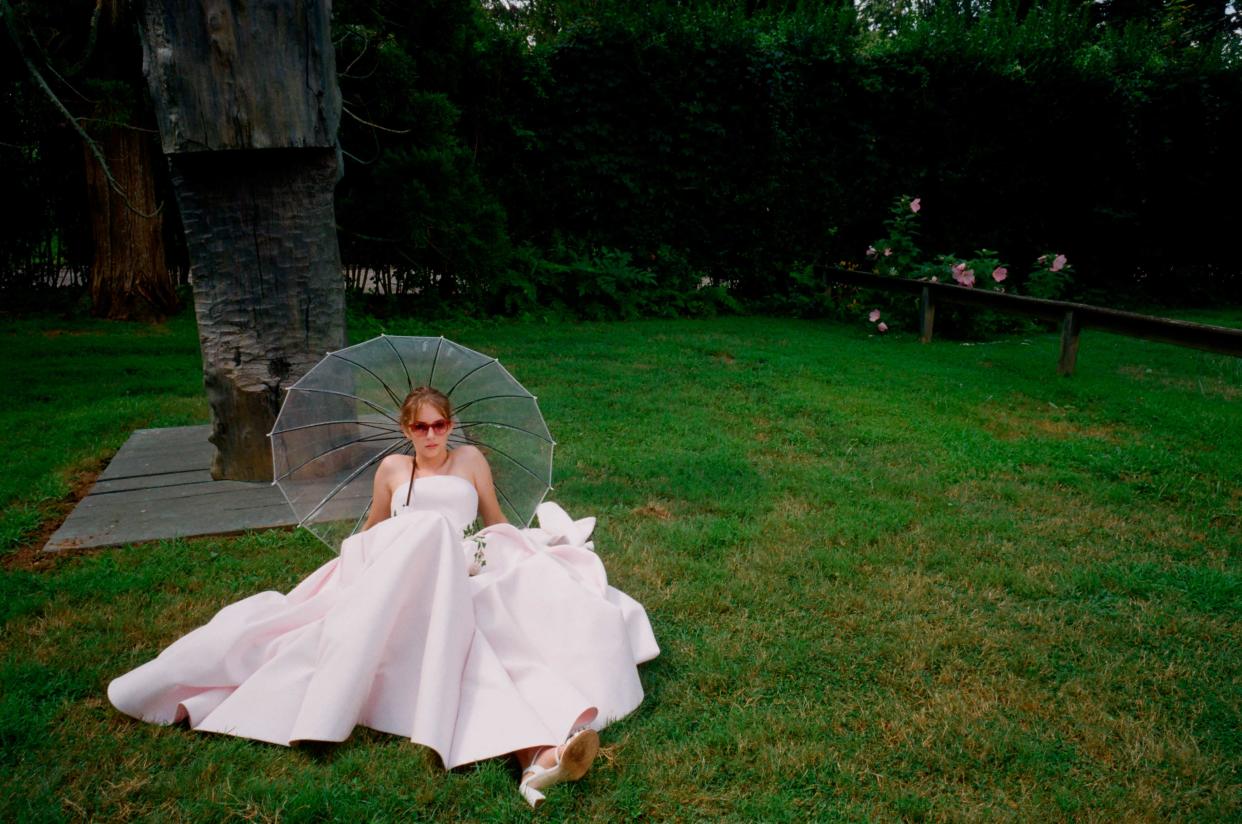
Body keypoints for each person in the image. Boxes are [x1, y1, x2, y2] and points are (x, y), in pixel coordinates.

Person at [108, 386, 659, 808]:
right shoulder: (394, 470)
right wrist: (356, 562)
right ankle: (534, 753)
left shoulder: (471, 461)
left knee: (491, 631)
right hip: (398, 562)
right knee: (414, 558)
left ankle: (537, 754)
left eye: (440, 424)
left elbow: (494, 522)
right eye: (420, 427)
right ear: (406, 429)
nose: (431, 435)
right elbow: (372, 528)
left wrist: (516, 550)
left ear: (451, 424)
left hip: (457, 564)